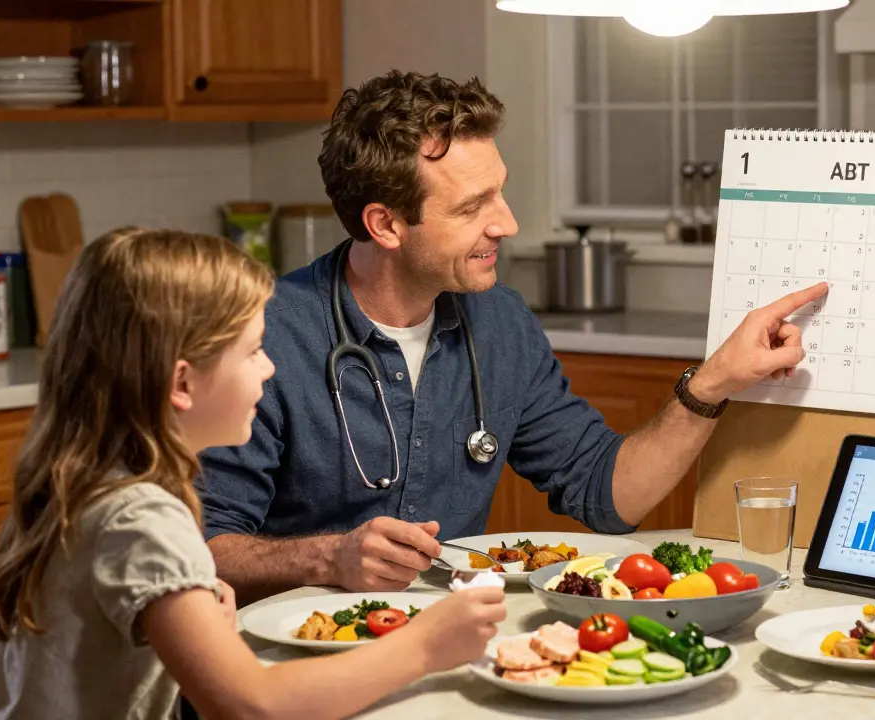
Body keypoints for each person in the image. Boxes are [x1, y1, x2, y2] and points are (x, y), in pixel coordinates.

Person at [196, 70, 827, 602]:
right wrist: (327, 560)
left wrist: (714, 380)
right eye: (473, 207)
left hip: (445, 647)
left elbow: (606, 494)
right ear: (385, 224)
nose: (508, 222)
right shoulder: (261, 338)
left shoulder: (498, 322)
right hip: (290, 674)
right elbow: (200, 549)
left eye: (501, 192)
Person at [0, 228, 506, 720]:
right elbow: (251, 707)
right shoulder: (142, 518)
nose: (269, 367)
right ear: (182, 382)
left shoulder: (86, 484)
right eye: (253, 350)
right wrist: (425, 646)